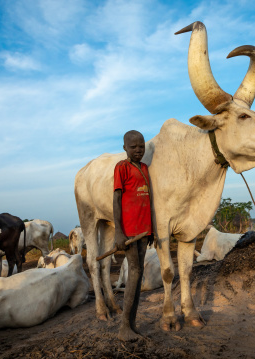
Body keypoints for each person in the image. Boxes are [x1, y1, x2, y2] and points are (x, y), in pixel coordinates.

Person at [113, 130, 154, 341]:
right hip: (129, 233)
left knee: (138, 278)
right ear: (125, 148)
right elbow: (117, 199)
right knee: (135, 272)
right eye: (133, 147)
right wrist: (118, 232)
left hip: (143, 232)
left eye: (141, 146)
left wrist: (151, 229)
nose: (138, 150)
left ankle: (132, 324)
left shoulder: (145, 168)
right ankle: (123, 328)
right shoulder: (121, 167)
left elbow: (149, 201)